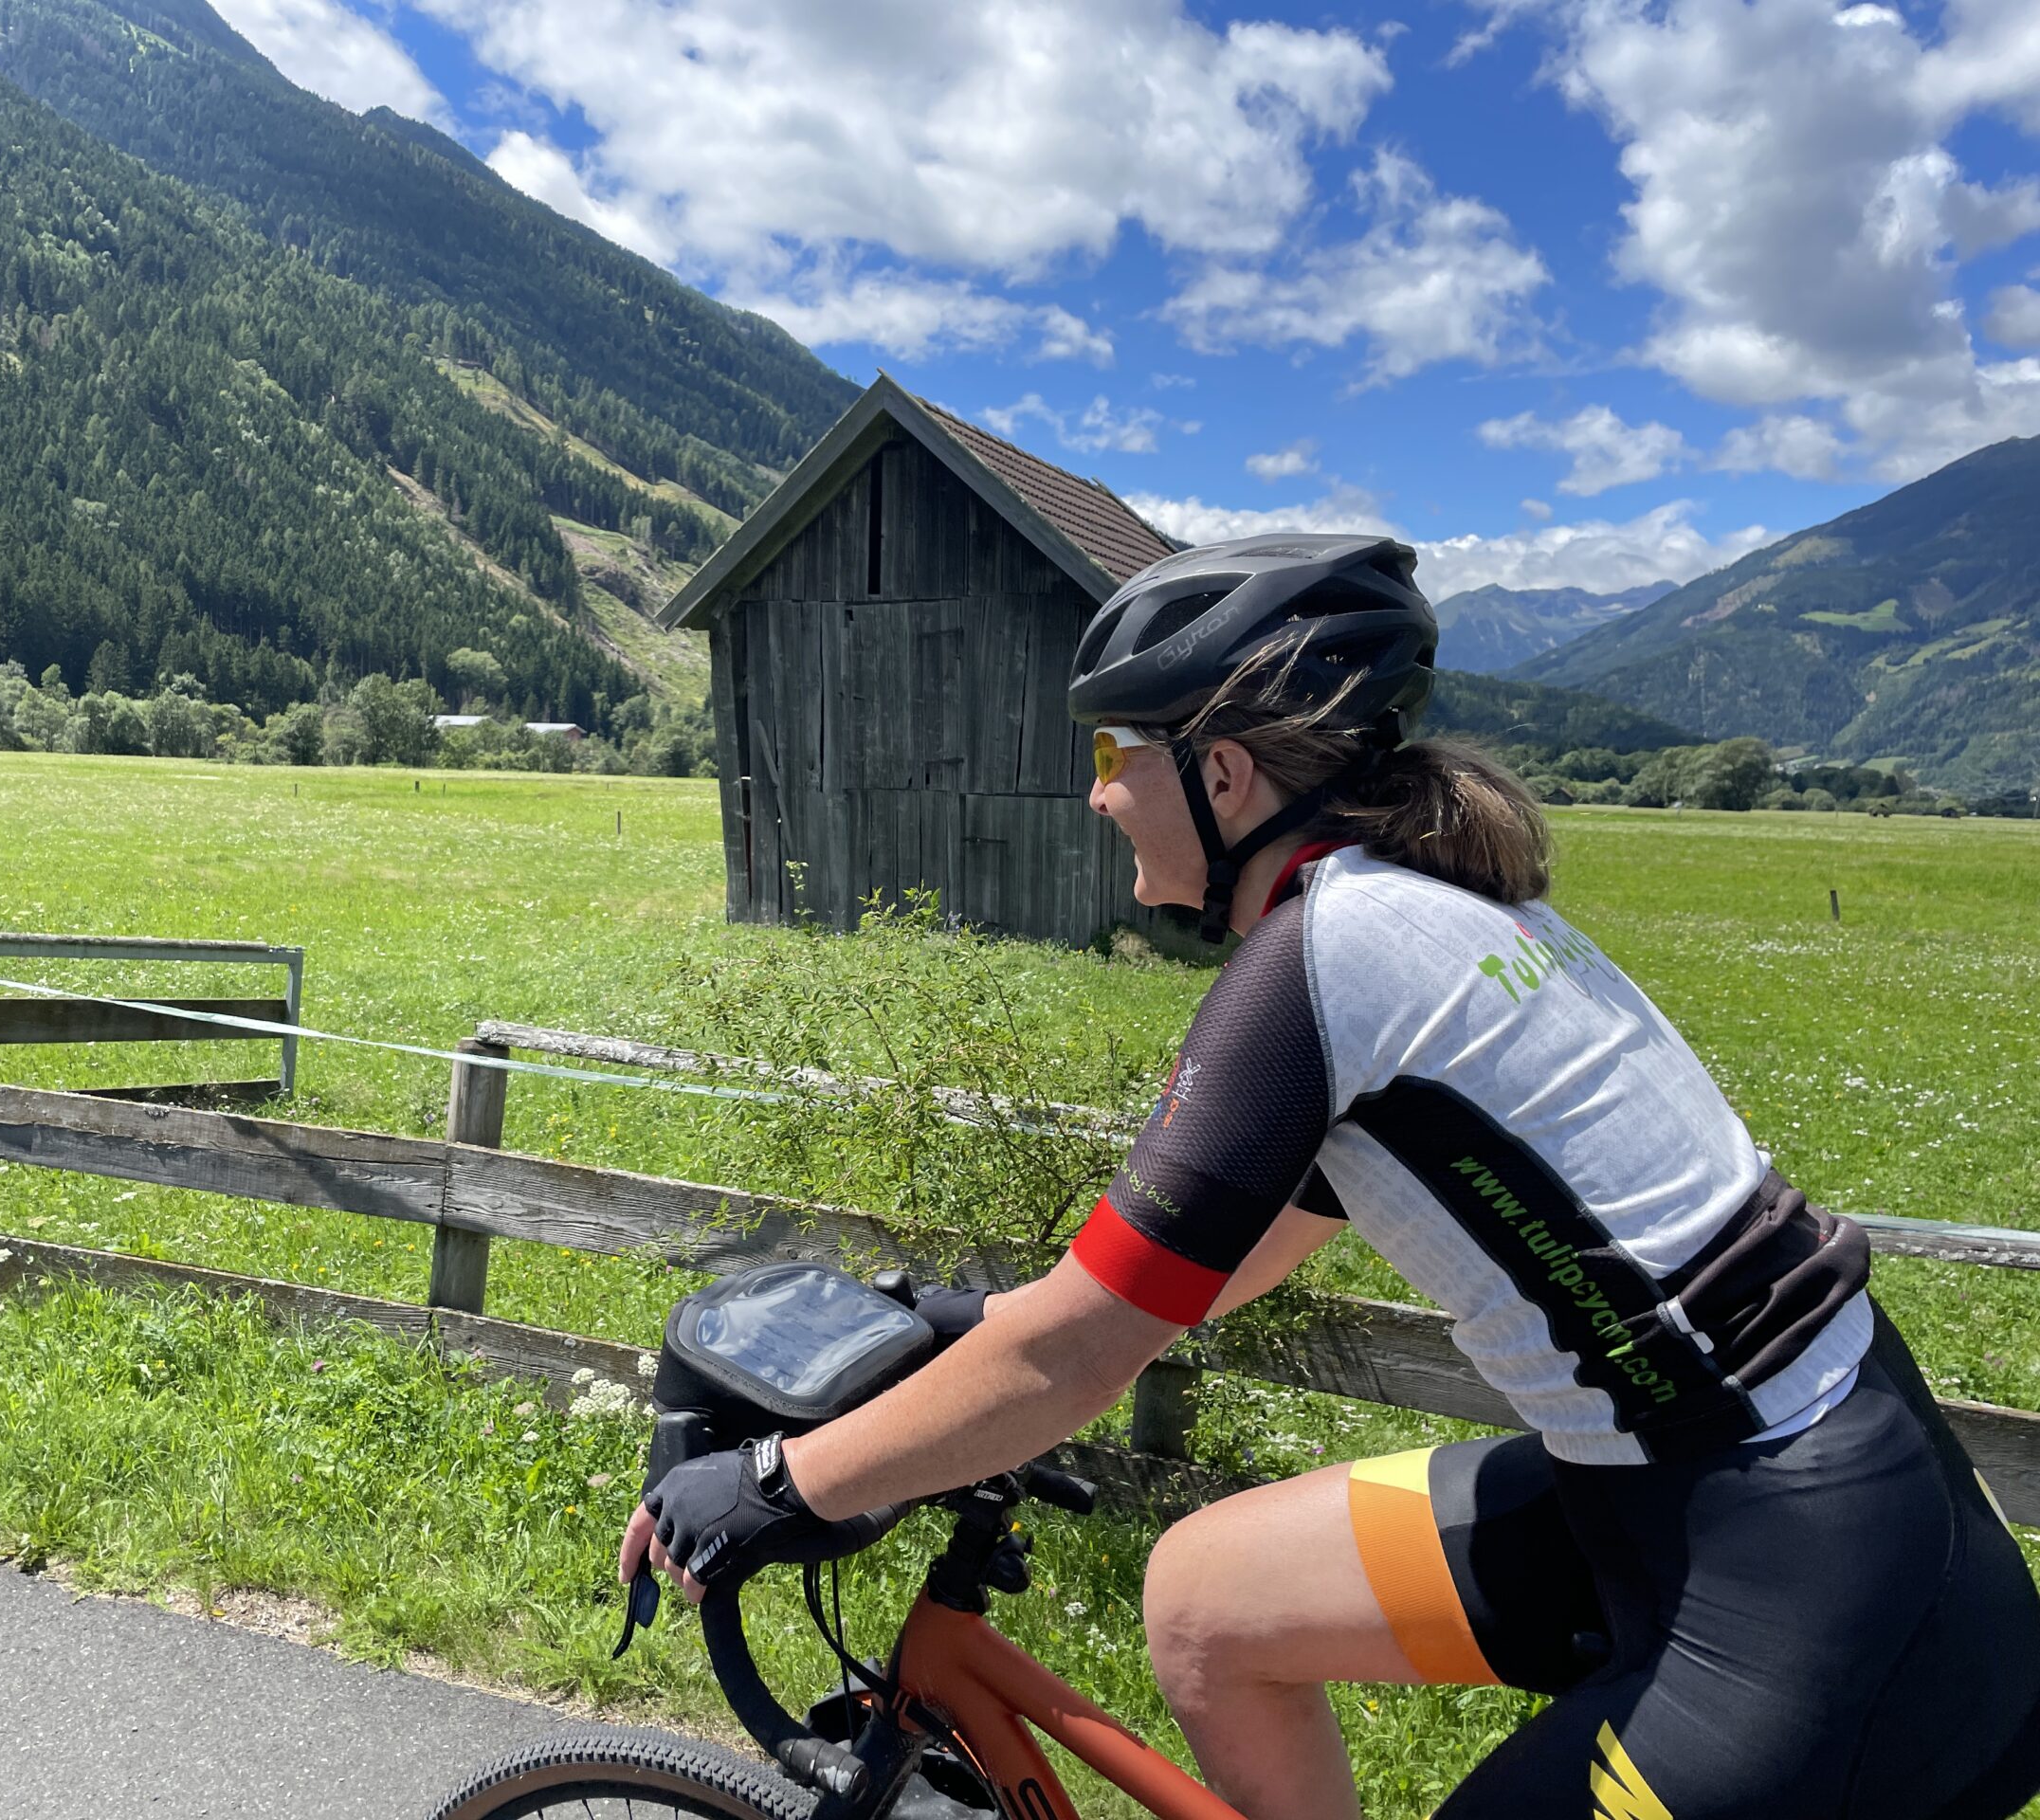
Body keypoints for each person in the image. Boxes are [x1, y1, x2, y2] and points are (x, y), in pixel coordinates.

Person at [622, 535, 2040, 1820]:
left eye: (1116, 750)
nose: (1098, 792)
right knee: (1207, 1601)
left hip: (1815, 1587)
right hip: (1706, 1490)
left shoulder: (1320, 959)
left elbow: (1079, 1358)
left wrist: (780, 1485)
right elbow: (1197, 1272)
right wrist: (958, 1327)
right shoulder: (1417, 915)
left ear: (1224, 773)